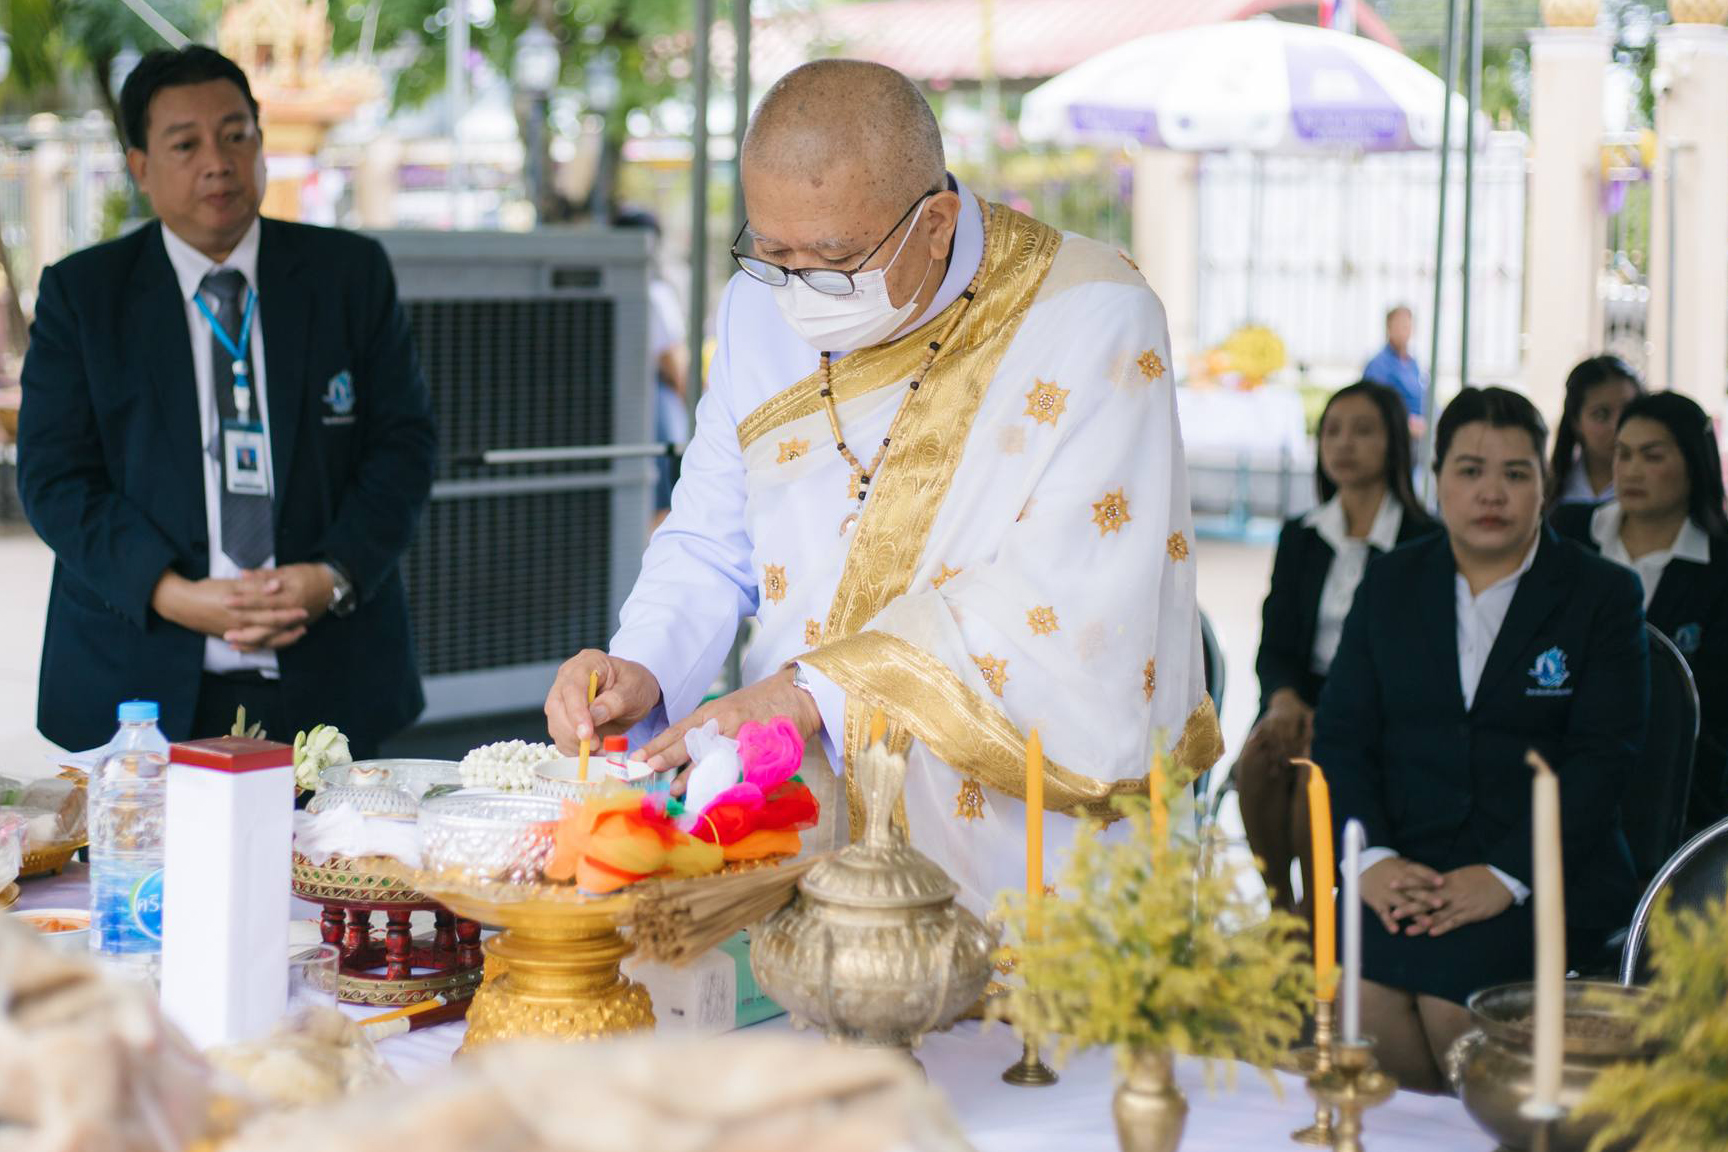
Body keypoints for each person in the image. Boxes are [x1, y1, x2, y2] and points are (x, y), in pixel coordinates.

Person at [543, 59, 1217, 913]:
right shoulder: (761, 307)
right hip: (803, 810)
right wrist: (642, 663)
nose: (798, 289)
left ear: (937, 224)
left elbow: (1079, 601)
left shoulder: (1091, 317)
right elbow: (713, 535)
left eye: (832, 259)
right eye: (770, 250)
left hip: (1016, 844)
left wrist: (812, 693)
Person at [18, 46, 435, 758]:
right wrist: (171, 593)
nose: (218, 161)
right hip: (137, 682)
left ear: (261, 144)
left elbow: (404, 446)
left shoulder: (347, 275)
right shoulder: (85, 295)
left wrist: (330, 576)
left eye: (236, 134)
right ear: (140, 167)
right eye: (186, 144)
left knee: (345, 870)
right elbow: (55, 479)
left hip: (331, 669)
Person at [1313, 386, 1644, 1093]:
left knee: (1454, 1006)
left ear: (1545, 485)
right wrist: (1368, 858)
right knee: (1357, 1001)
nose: (1491, 492)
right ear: (1437, 481)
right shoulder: (1390, 583)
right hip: (1404, 863)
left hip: (1544, 872)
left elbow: (1603, 759)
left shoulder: (1601, 596)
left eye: (1516, 474)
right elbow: (1342, 737)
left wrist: (1504, 875)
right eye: (1469, 470)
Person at [1237, 381, 1436, 916]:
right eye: (1332, 431)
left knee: (1314, 786)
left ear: (1395, 442)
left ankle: (1317, 917)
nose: (1344, 444)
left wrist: (1336, 713)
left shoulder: (1424, 540)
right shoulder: (1302, 535)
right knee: (1257, 763)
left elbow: (1414, 659)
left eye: (1363, 431)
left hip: (1377, 706)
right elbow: (1275, 642)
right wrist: (1281, 700)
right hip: (1300, 696)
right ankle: (1282, 915)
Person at [1552, 391, 1728, 836]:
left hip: (1681, 792)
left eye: (1652, 456)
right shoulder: (1569, 532)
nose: (1630, 470)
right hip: (1559, 766)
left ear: (1693, 461)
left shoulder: (1720, 565)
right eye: (1623, 454)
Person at [613, 208, 691, 527]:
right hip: (656, 399)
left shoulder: (619, 287)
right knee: (665, 494)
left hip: (624, 396)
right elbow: (671, 357)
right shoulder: (656, 292)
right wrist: (689, 395)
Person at [1549, 355, 1643, 508]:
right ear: (1576, 422)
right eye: (1601, 415)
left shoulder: (1656, 488)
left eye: (1629, 412)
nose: (1618, 426)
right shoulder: (1551, 489)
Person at [1362, 305, 1426, 432]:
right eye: (1400, 326)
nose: (1404, 331)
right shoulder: (1378, 365)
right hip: (1397, 432)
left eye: (1407, 326)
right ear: (1389, 328)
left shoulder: (1413, 363)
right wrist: (1405, 423)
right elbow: (1373, 405)